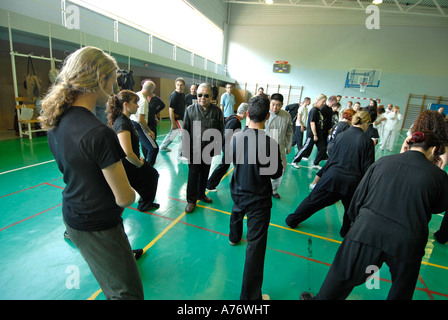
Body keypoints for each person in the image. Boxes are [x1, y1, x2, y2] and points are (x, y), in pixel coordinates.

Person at [39, 46, 144, 300]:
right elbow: (124, 198)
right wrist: (135, 191)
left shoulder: (55, 121)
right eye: (113, 81)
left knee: (110, 280)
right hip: (99, 225)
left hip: (73, 215)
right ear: (101, 80)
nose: (114, 88)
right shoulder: (99, 134)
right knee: (127, 294)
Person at [301, 131, 448, 300]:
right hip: (407, 241)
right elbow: (439, 207)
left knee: (341, 276)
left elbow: (358, 199)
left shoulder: (383, 162)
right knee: (401, 289)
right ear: (434, 149)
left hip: (367, 229)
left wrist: (357, 225)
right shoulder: (438, 175)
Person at [286, 111, 375, 237]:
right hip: (352, 183)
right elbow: (368, 167)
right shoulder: (367, 141)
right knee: (351, 210)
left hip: (332, 176)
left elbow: (331, 158)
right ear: (366, 122)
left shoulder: (342, 135)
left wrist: (321, 175)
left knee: (313, 200)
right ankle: (345, 232)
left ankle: (292, 220)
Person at [229, 94, 283, 300]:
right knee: (255, 247)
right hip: (258, 199)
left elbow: (232, 159)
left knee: (236, 210)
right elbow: (276, 173)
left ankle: (234, 237)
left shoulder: (235, 136)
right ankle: (250, 298)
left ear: (248, 114)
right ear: (267, 116)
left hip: (238, 189)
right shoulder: (269, 144)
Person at [107, 90, 160, 212]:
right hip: (127, 165)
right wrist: (140, 164)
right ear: (126, 104)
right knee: (152, 175)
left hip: (132, 163)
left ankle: (146, 202)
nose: (137, 105)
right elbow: (127, 153)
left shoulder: (127, 120)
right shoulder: (122, 123)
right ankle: (144, 204)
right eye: (135, 102)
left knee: (152, 176)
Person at [182, 83, 224, 213]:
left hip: (208, 149)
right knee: (193, 175)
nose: (203, 98)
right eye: (200, 95)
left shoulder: (217, 111)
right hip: (194, 150)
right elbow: (185, 131)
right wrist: (186, 150)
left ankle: (201, 194)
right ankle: (191, 200)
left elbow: (220, 130)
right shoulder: (190, 110)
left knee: (205, 173)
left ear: (211, 96)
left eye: (206, 95)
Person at [206, 102, 248, 191]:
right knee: (224, 166)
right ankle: (210, 184)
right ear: (244, 112)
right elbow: (227, 135)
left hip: (228, 146)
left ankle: (210, 183)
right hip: (229, 147)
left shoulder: (232, 117)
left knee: (228, 165)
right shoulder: (235, 121)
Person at [264, 93, 293, 199]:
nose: (275, 107)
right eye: (272, 104)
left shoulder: (286, 115)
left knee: (281, 169)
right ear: (269, 103)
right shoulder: (264, 114)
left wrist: (289, 145)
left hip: (280, 147)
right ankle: (262, 188)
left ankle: (273, 189)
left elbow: (289, 131)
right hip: (265, 147)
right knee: (263, 169)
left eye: (278, 105)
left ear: (282, 105)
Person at [291, 94, 327, 170]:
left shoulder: (318, 110)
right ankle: (295, 160)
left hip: (318, 133)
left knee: (322, 148)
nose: (324, 103)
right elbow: (312, 123)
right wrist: (315, 134)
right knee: (305, 148)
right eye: (323, 101)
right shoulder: (313, 110)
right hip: (313, 134)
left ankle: (316, 163)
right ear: (318, 100)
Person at [130, 81, 159, 166]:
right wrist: (149, 131)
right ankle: (148, 169)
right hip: (139, 126)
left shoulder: (137, 94)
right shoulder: (143, 101)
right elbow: (141, 119)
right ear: (151, 90)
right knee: (153, 148)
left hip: (132, 123)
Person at [160, 77, 186, 159]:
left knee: (172, 133)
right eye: (178, 85)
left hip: (182, 118)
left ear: (184, 86)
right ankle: (180, 154)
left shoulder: (182, 94)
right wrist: (173, 122)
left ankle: (163, 147)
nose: (179, 86)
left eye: (181, 85)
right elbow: (171, 110)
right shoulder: (174, 95)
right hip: (177, 119)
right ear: (175, 85)